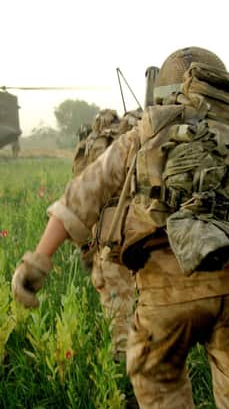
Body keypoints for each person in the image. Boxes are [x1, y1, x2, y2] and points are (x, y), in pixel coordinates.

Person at [11, 47, 229, 408]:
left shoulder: (146, 133)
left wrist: (36, 264)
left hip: (165, 294)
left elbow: (78, 199)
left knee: (159, 380)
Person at [71, 108, 141, 362]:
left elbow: (80, 192)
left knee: (116, 299)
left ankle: (123, 360)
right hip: (144, 231)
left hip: (111, 235)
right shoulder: (143, 136)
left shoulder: (95, 147)